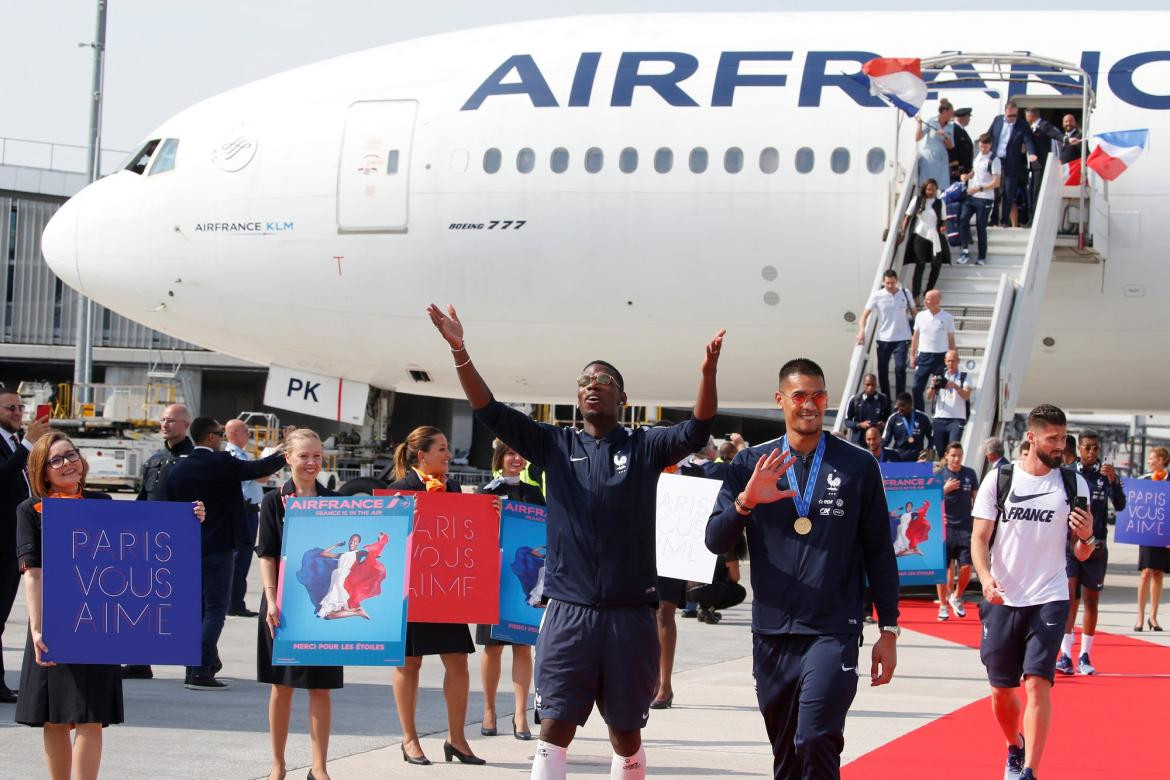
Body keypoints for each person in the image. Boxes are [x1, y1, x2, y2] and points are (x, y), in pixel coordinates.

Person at [427, 302, 721, 780]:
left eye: (602, 382)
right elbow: (489, 411)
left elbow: (699, 428)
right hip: (569, 612)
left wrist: (707, 374)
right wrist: (460, 350)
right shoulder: (553, 445)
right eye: (584, 382)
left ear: (622, 397)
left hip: (630, 614)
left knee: (626, 734)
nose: (590, 387)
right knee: (554, 729)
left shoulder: (645, 447)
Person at [706, 357, 899, 779]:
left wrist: (890, 628)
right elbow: (714, 541)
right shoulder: (749, 465)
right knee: (787, 757)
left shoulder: (857, 465)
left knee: (815, 738)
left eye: (818, 395)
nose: (809, 404)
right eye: (799, 396)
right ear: (780, 401)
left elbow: (880, 551)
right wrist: (747, 501)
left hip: (833, 628)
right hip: (772, 631)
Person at [15, 432, 203, 779]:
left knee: (91, 717)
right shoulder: (30, 510)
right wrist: (38, 627)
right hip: (52, 623)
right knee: (54, 718)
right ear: (43, 471)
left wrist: (189, 518)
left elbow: (146, 533)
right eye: (56, 460)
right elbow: (33, 574)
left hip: (98, 620)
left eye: (70, 454)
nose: (67, 463)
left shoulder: (101, 501)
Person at [970, 404, 1093, 780]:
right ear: (1031, 437)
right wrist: (985, 577)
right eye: (1052, 438)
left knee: (1038, 684)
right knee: (1001, 693)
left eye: (1063, 438)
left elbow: (1082, 551)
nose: (1060, 446)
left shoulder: (1073, 484)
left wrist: (1087, 536)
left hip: (1050, 596)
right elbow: (979, 537)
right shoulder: (1001, 479)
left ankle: (1030, 772)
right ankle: (1014, 746)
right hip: (1003, 598)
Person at [165, 416, 286, 691]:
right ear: (210, 437)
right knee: (215, 610)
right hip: (219, 546)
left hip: (185, 548)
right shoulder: (221, 462)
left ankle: (192, 668)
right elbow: (259, 468)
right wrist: (284, 455)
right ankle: (200, 670)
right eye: (220, 433)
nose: (222, 438)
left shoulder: (177, 469)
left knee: (194, 611)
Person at [385, 425, 483, 766]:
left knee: (458, 659)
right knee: (409, 663)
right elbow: (383, 541)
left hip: (446, 587)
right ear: (421, 455)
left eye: (447, 448)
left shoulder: (453, 487)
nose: (448, 454)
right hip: (411, 590)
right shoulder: (399, 490)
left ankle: (457, 739)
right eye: (441, 449)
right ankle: (409, 739)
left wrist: (489, 517)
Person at [256, 428, 341, 780]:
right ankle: (278, 764)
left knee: (320, 686)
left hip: (323, 606)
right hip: (283, 603)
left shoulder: (335, 502)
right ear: (288, 458)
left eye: (317, 456)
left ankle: (319, 767)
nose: (311, 463)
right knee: (283, 686)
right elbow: (267, 554)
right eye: (304, 455)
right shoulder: (273, 501)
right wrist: (272, 598)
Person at [476, 439, 543, 742]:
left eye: (520, 453)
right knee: (492, 648)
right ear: (499, 458)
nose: (516, 458)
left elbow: (544, 534)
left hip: (523, 579)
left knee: (522, 646)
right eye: (510, 453)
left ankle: (519, 714)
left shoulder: (535, 494)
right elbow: (476, 535)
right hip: (494, 577)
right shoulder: (486, 493)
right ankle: (489, 710)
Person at [122, 402, 193, 680]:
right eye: (163, 420)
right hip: (151, 545)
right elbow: (143, 500)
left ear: (186, 425)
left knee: (187, 606)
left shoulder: (195, 461)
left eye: (171, 420)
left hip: (182, 545)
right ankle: (139, 661)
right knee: (142, 604)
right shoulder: (154, 460)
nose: (165, 424)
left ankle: (203, 660)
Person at [1055, 430, 1125, 676]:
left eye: (1096, 448)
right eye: (1088, 448)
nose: (1093, 453)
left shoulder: (1106, 476)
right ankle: (1065, 655)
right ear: (1080, 449)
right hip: (1070, 546)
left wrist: (1115, 481)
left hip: (1097, 547)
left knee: (1092, 600)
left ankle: (1085, 655)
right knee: (1070, 599)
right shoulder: (1067, 473)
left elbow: (1120, 505)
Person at [0, 387, 50, 703]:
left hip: (14, 544)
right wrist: (30, 443)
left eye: (20, 407)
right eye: (9, 408)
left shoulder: (16, 444)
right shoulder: (17, 445)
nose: (18, 413)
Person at [225, 418, 266, 618]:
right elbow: (261, 477)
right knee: (240, 559)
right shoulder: (234, 455)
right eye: (245, 431)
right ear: (233, 433)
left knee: (242, 559)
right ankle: (234, 603)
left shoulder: (243, 454)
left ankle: (234, 602)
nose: (249, 435)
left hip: (249, 511)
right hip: (244, 511)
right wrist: (271, 457)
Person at [857, 270, 916, 399]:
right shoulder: (877, 295)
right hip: (883, 338)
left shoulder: (905, 293)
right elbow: (864, 316)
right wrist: (862, 331)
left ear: (897, 281)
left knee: (900, 368)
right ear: (883, 282)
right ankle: (886, 400)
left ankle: (901, 400)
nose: (890, 285)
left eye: (892, 283)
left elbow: (914, 312)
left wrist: (917, 333)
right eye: (887, 283)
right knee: (882, 370)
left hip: (902, 337)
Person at [938, 443, 979, 621]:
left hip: (964, 528)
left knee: (966, 567)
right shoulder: (939, 475)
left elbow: (977, 500)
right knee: (942, 569)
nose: (956, 459)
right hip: (944, 528)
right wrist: (943, 490)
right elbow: (929, 500)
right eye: (953, 455)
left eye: (959, 455)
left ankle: (956, 596)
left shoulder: (969, 473)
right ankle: (942, 605)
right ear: (946, 455)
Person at [986, 100, 1037, 228]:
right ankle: (993, 219)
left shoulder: (1022, 124)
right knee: (995, 191)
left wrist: (1031, 153)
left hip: (1011, 163)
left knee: (1009, 192)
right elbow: (988, 135)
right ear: (1005, 112)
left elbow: (1028, 140)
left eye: (1014, 115)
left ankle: (1004, 221)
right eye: (1009, 116)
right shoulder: (997, 120)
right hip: (996, 160)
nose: (1012, 118)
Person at [899, 179, 950, 304]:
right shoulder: (917, 200)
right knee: (920, 264)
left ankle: (928, 290)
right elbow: (908, 216)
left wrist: (943, 227)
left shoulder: (940, 203)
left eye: (933, 189)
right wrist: (903, 232)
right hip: (920, 235)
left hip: (934, 235)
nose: (930, 192)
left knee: (936, 264)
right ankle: (916, 294)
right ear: (924, 189)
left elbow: (944, 220)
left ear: (936, 189)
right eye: (928, 189)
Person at [1136, 447, 1170, 632]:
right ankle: (1140, 618)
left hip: (1164, 532)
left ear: (1162, 460)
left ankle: (1153, 618)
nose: (1149, 461)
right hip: (1148, 532)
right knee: (1146, 572)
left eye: (1152, 458)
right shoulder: (1144, 481)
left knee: (1158, 573)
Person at [958, 133, 1001, 265]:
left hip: (985, 198)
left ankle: (982, 256)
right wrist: (967, 176)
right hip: (972, 196)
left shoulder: (994, 159)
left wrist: (979, 188)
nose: (983, 149)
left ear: (990, 145)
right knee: (963, 219)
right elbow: (976, 171)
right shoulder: (978, 156)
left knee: (980, 227)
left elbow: (996, 183)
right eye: (981, 146)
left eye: (985, 146)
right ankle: (965, 251)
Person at [909, 290, 956, 413]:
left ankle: (939, 413)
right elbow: (915, 336)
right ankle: (920, 413)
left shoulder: (947, 317)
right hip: (924, 356)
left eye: (928, 299)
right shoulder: (920, 316)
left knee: (940, 386)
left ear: (937, 301)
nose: (925, 301)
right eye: (925, 298)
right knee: (916, 387)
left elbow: (951, 338)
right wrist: (912, 355)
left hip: (940, 357)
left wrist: (953, 356)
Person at [687, 534, 748, 624]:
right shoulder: (729, 552)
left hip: (687, 591)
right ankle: (708, 610)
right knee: (739, 592)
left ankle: (704, 611)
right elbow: (735, 578)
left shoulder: (704, 545)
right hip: (705, 589)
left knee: (715, 587)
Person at [924, 349, 971, 454]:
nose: (951, 363)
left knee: (952, 449)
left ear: (958, 361)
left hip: (956, 419)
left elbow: (967, 395)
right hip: (939, 418)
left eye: (953, 361)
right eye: (949, 361)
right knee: (940, 451)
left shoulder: (964, 376)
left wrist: (955, 386)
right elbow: (928, 396)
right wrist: (933, 386)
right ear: (945, 361)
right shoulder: (939, 374)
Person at [1025, 108, 1065, 224]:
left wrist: (1065, 138)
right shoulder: (1030, 128)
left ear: (1031, 116)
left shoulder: (1044, 125)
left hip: (1040, 165)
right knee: (1031, 193)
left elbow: (1055, 134)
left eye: (1027, 116)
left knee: (1037, 193)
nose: (1026, 119)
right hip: (1032, 167)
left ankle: (1035, 219)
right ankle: (1030, 218)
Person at [916, 98, 955, 189]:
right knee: (928, 185)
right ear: (944, 112)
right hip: (929, 159)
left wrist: (945, 136)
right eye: (951, 112)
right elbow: (918, 137)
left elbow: (951, 146)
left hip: (942, 159)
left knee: (941, 186)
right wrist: (919, 125)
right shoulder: (931, 121)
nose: (952, 114)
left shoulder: (950, 126)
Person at [843, 373, 892, 446]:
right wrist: (859, 425)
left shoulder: (883, 400)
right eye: (868, 384)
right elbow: (847, 421)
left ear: (876, 385)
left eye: (873, 385)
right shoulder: (855, 400)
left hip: (876, 443)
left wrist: (882, 425)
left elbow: (890, 421)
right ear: (863, 385)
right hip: (858, 442)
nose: (870, 387)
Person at [883, 393, 933, 463]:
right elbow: (885, 441)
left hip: (918, 460)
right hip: (898, 459)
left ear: (911, 404)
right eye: (898, 406)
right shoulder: (893, 418)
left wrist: (928, 450)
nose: (900, 409)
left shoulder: (923, 418)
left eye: (903, 406)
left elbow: (932, 438)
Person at [950, 106, 974, 180]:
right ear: (962, 117)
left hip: (963, 171)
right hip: (957, 172)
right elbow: (952, 151)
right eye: (968, 117)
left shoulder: (961, 130)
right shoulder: (954, 129)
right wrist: (955, 169)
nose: (969, 119)